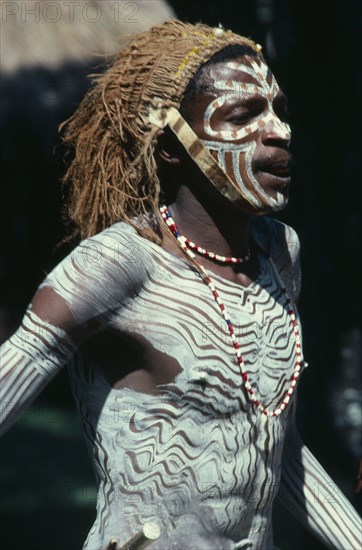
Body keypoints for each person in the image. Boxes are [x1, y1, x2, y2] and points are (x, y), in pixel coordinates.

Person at [0, 20, 360, 550]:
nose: (279, 130)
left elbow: (273, 444)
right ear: (171, 146)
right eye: (243, 115)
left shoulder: (281, 251)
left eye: (279, 110)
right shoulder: (121, 262)